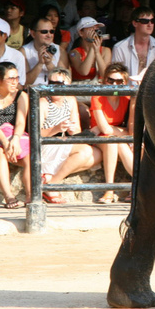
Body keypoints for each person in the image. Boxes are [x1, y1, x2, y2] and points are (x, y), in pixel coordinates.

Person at [38, 68, 102, 204]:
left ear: (67, 85)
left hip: (65, 140)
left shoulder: (71, 100)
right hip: (47, 144)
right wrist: (55, 128)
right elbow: (36, 133)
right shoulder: (43, 102)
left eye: (59, 84)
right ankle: (51, 186)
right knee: (85, 151)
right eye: (51, 83)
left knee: (97, 155)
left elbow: (77, 129)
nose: (54, 87)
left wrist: (72, 129)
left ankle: (52, 180)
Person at [0, 62, 30, 207]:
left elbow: (21, 122)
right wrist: (5, 142)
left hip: (15, 134)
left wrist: (15, 140)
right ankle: (9, 196)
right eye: (10, 79)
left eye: (17, 78)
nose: (15, 82)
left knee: (30, 157)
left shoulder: (21, 95)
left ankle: (30, 196)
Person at [89, 63, 135, 204]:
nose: (114, 84)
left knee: (116, 143)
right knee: (112, 141)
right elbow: (105, 130)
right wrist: (121, 132)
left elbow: (129, 130)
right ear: (104, 80)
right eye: (111, 80)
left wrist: (118, 131)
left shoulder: (127, 98)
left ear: (125, 82)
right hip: (99, 138)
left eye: (119, 81)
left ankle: (137, 185)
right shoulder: (98, 97)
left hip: (115, 139)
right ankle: (109, 189)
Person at [111, 6, 155, 81]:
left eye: (152, 21)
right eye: (145, 21)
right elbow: (115, 77)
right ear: (135, 23)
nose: (149, 24)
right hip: (127, 91)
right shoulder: (119, 48)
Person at [23, 16, 70, 85]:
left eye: (51, 31)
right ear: (33, 34)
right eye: (44, 32)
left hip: (55, 93)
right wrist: (40, 64)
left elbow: (64, 82)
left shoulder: (60, 50)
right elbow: (24, 83)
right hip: (32, 93)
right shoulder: (23, 52)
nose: (49, 35)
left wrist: (49, 64)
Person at [69, 16, 111, 82]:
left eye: (96, 28)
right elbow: (84, 72)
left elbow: (105, 74)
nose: (95, 31)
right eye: (91, 28)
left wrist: (97, 53)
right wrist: (92, 48)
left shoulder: (106, 51)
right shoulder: (74, 53)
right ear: (81, 33)